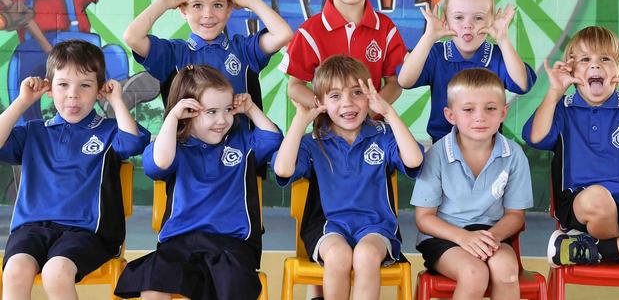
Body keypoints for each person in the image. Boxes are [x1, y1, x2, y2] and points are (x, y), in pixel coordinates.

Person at [114, 65, 282, 300]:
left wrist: (251, 109)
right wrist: (172, 117)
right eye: (211, 111)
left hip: (232, 243)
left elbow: (273, 139)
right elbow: (157, 164)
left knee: (229, 284)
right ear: (189, 111)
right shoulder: (173, 147)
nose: (223, 120)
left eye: (228, 109)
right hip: (180, 242)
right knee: (153, 285)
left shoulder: (242, 142)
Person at [0, 39, 150, 300]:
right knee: (14, 270)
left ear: (99, 89)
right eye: (63, 85)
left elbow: (134, 142)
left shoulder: (108, 131)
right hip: (32, 229)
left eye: (85, 85)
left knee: (56, 272)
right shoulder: (35, 132)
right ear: (49, 88)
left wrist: (116, 101)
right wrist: (23, 102)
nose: (73, 94)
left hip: (87, 232)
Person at [273, 56, 423, 300]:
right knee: (338, 255)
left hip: (377, 228)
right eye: (335, 96)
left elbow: (414, 160)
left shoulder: (382, 135)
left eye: (356, 92)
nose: (348, 103)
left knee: (365, 255)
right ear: (320, 102)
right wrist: (300, 122)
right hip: (329, 227)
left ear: (370, 95)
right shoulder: (313, 142)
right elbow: (283, 169)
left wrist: (388, 112)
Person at [523, 26, 619, 267]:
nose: (595, 66)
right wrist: (554, 92)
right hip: (582, 202)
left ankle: (594, 249)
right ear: (571, 69)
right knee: (599, 199)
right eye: (584, 59)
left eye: (605, 58)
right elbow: (535, 138)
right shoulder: (563, 108)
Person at [411, 68, 533, 300]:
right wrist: (463, 238)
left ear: (503, 113)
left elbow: (515, 215)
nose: (480, 117)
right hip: (444, 238)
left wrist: (492, 238)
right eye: (468, 109)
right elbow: (424, 218)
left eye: (490, 109)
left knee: (507, 271)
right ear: (450, 115)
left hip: (490, 235)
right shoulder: (436, 155)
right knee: (475, 273)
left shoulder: (514, 155)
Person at [123, 0, 293, 104]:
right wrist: (162, 4)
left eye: (217, 5)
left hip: (242, 144)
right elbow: (132, 37)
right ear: (183, 10)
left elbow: (283, 34)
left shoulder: (244, 50)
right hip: (184, 145)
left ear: (229, 8)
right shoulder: (173, 54)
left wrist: (253, 2)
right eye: (197, 5)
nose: (208, 14)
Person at [280, 0, 407, 109]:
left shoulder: (386, 29)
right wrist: (329, 110)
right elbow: (295, 87)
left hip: (373, 130)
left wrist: (367, 112)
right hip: (327, 132)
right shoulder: (309, 32)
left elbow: (395, 84)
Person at [397, 0, 536, 141]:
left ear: (491, 21)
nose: (468, 25)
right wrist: (428, 37)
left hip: (488, 146)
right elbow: (404, 81)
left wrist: (503, 39)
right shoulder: (436, 53)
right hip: (443, 144)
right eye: (458, 17)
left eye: (478, 18)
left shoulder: (499, 55)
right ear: (446, 20)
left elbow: (523, 85)